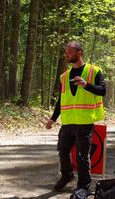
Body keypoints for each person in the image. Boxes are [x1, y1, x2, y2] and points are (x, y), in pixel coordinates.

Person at [45, 41, 106, 197]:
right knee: (63, 151)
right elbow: (61, 99)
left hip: (84, 122)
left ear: (80, 53)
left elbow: (102, 91)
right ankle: (67, 175)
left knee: (81, 156)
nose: (67, 55)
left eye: (70, 52)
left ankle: (83, 186)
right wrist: (53, 118)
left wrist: (87, 85)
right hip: (68, 122)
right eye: (66, 53)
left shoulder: (94, 71)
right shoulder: (64, 76)